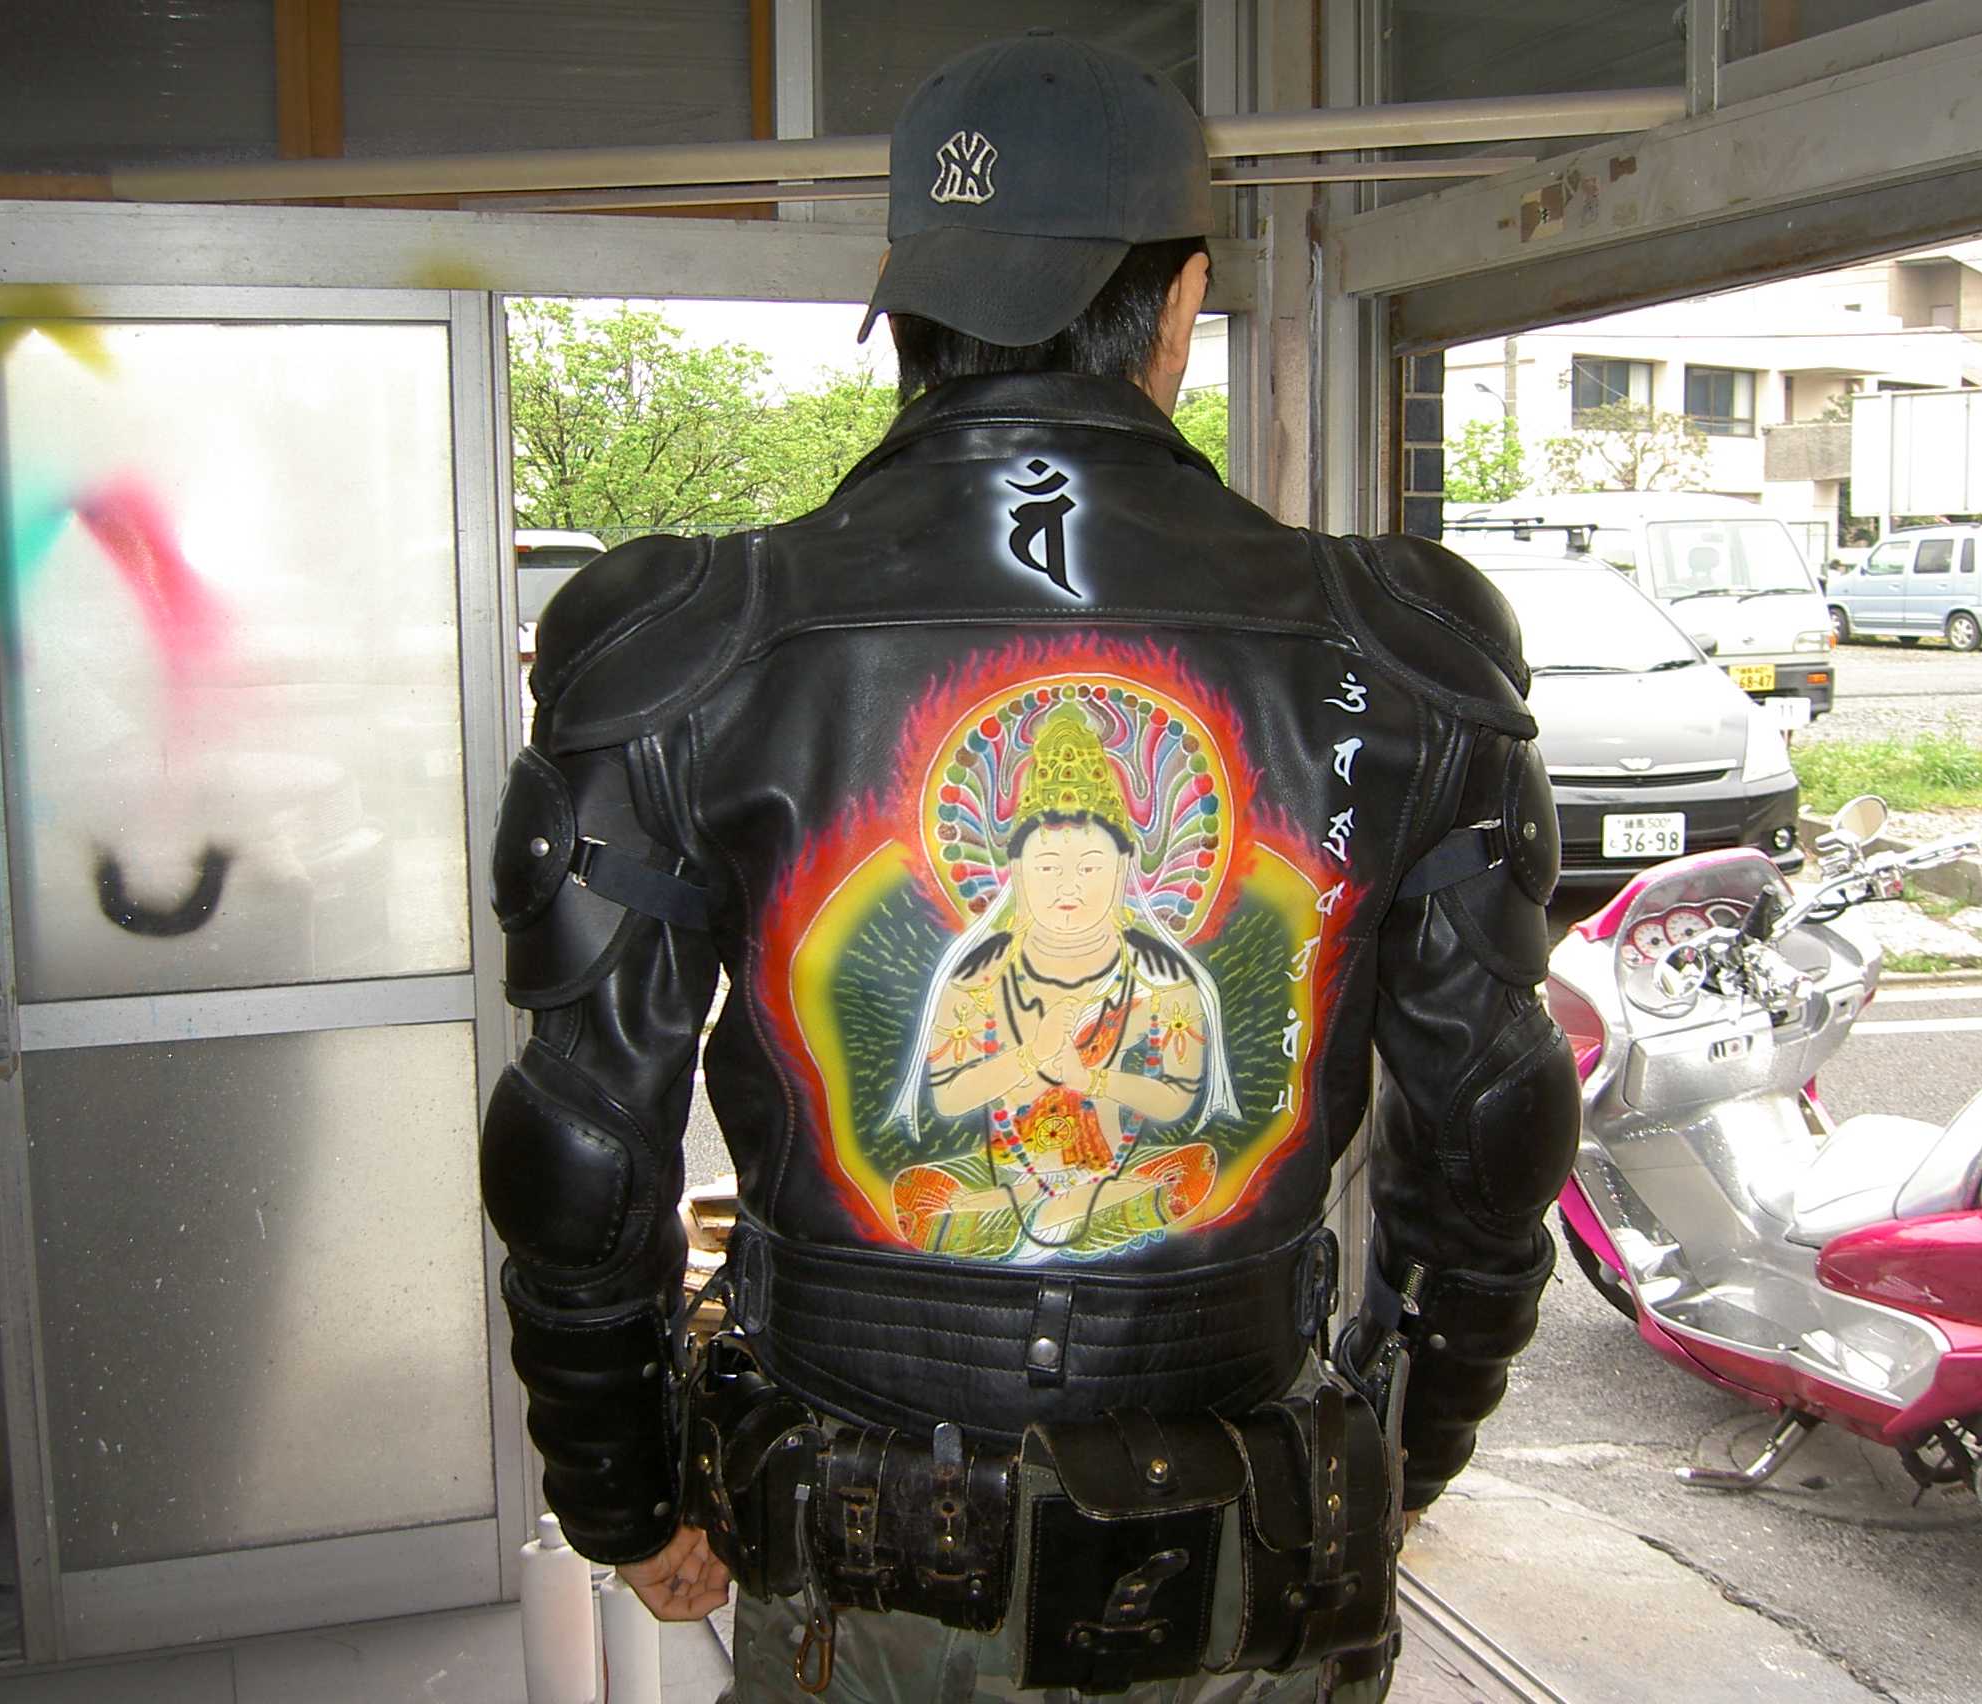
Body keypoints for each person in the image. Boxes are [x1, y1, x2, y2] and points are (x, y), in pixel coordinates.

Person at [480, 30, 1579, 1704]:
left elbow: (583, 1148)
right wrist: (1395, 1455)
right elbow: (1489, 1133)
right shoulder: (1405, 644)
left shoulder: (685, 645)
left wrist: (622, 1487)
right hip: (1253, 1537)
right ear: (1184, 302)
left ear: (908, 305)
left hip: (867, 1563)